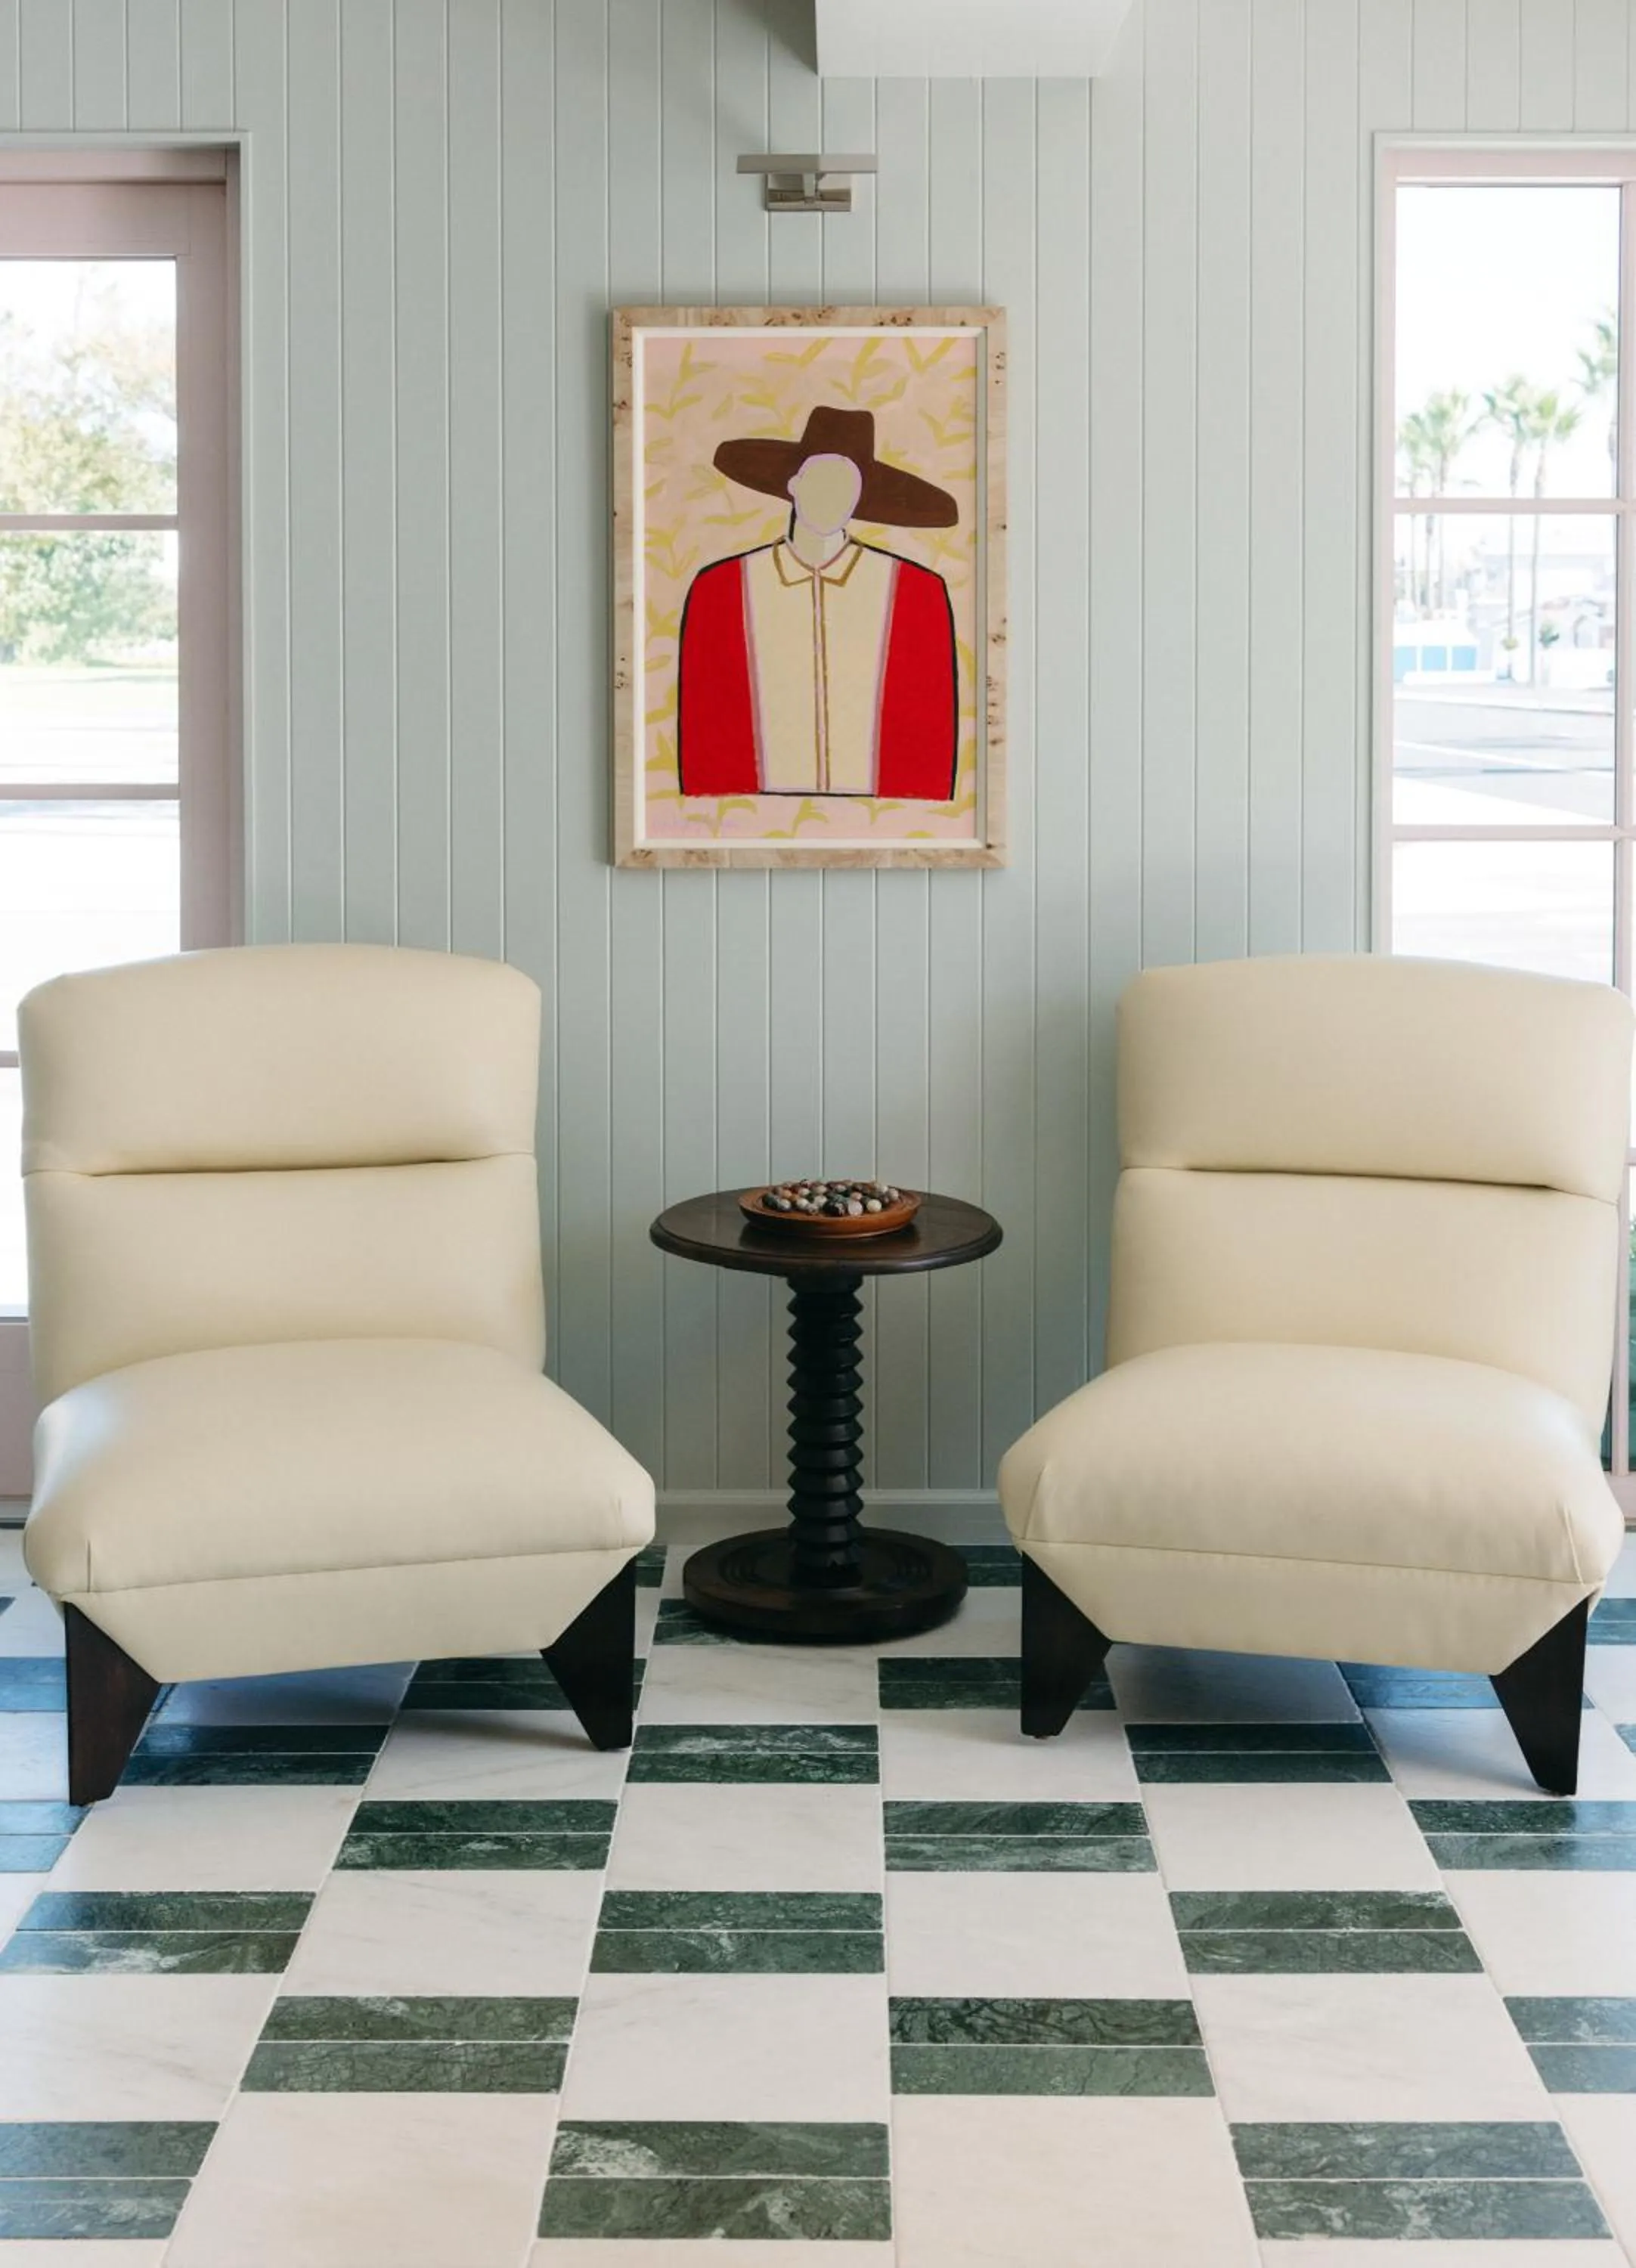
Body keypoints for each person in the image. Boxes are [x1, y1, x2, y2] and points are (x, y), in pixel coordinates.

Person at [677, 406, 959, 801]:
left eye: (846, 485)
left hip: (880, 817)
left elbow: (931, 727)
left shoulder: (915, 591)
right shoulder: (720, 588)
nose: (831, 497)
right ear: (793, 483)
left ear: (862, 497)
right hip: (750, 815)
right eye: (820, 480)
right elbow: (703, 726)